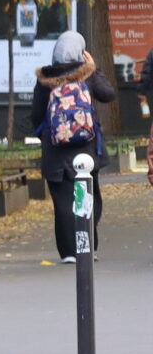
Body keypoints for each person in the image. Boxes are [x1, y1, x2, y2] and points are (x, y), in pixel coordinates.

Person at [34, 30, 115, 264]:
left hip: (56, 152)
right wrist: (93, 69)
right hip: (87, 149)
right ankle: (89, 247)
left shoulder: (44, 79)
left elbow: (36, 115)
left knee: (62, 201)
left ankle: (69, 251)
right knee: (90, 196)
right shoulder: (86, 75)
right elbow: (108, 94)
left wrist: (49, 136)